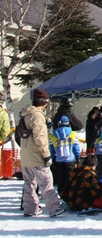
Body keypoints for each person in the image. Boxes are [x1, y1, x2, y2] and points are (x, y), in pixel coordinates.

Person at [20, 88, 70, 218]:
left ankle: (30, 208)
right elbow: (40, 137)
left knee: (29, 183)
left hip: (26, 155)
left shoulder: (26, 114)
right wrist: (46, 154)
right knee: (46, 181)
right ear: (44, 102)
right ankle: (54, 207)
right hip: (37, 155)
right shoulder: (37, 116)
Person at [49, 115, 82, 195]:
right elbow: (76, 146)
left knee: (60, 178)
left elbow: (51, 148)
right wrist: (78, 156)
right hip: (70, 159)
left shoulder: (54, 134)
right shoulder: (73, 134)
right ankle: (68, 194)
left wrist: (52, 158)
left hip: (59, 160)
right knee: (69, 178)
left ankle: (61, 192)